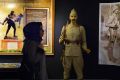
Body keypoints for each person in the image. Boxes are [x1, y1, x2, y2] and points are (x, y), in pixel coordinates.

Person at [59, 8, 91, 80]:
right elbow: (60, 41)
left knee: (79, 72)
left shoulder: (81, 28)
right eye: (72, 16)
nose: (73, 18)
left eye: (75, 16)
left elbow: (84, 41)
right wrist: (63, 37)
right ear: (69, 17)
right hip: (67, 52)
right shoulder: (65, 28)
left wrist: (85, 48)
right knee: (66, 72)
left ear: (77, 17)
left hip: (77, 52)